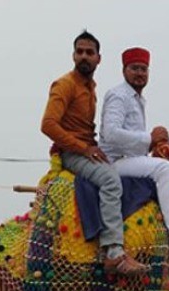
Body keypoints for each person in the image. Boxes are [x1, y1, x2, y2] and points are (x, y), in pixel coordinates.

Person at [40, 30, 144, 276]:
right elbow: (48, 124)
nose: (84, 56)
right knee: (110, 179)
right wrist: (84, 149)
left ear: (99, 58)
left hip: (87, 150)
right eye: (80, 52)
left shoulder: (91, 88)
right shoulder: (64, 85)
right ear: (73, 56)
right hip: (72, 152)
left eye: (90, 52)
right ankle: (114, 251)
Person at [99, 47, 169, 269]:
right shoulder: (118, 96)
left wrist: (156, 147)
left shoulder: (137, 99)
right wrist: (148, 138)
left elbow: (132, 141)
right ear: (124, 70)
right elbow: (110, 133)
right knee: (165, 171)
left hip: (127, 159)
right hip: (113, 163)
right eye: (135, 68)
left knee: (161, 167)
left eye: (144, 69)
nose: (140, 73)